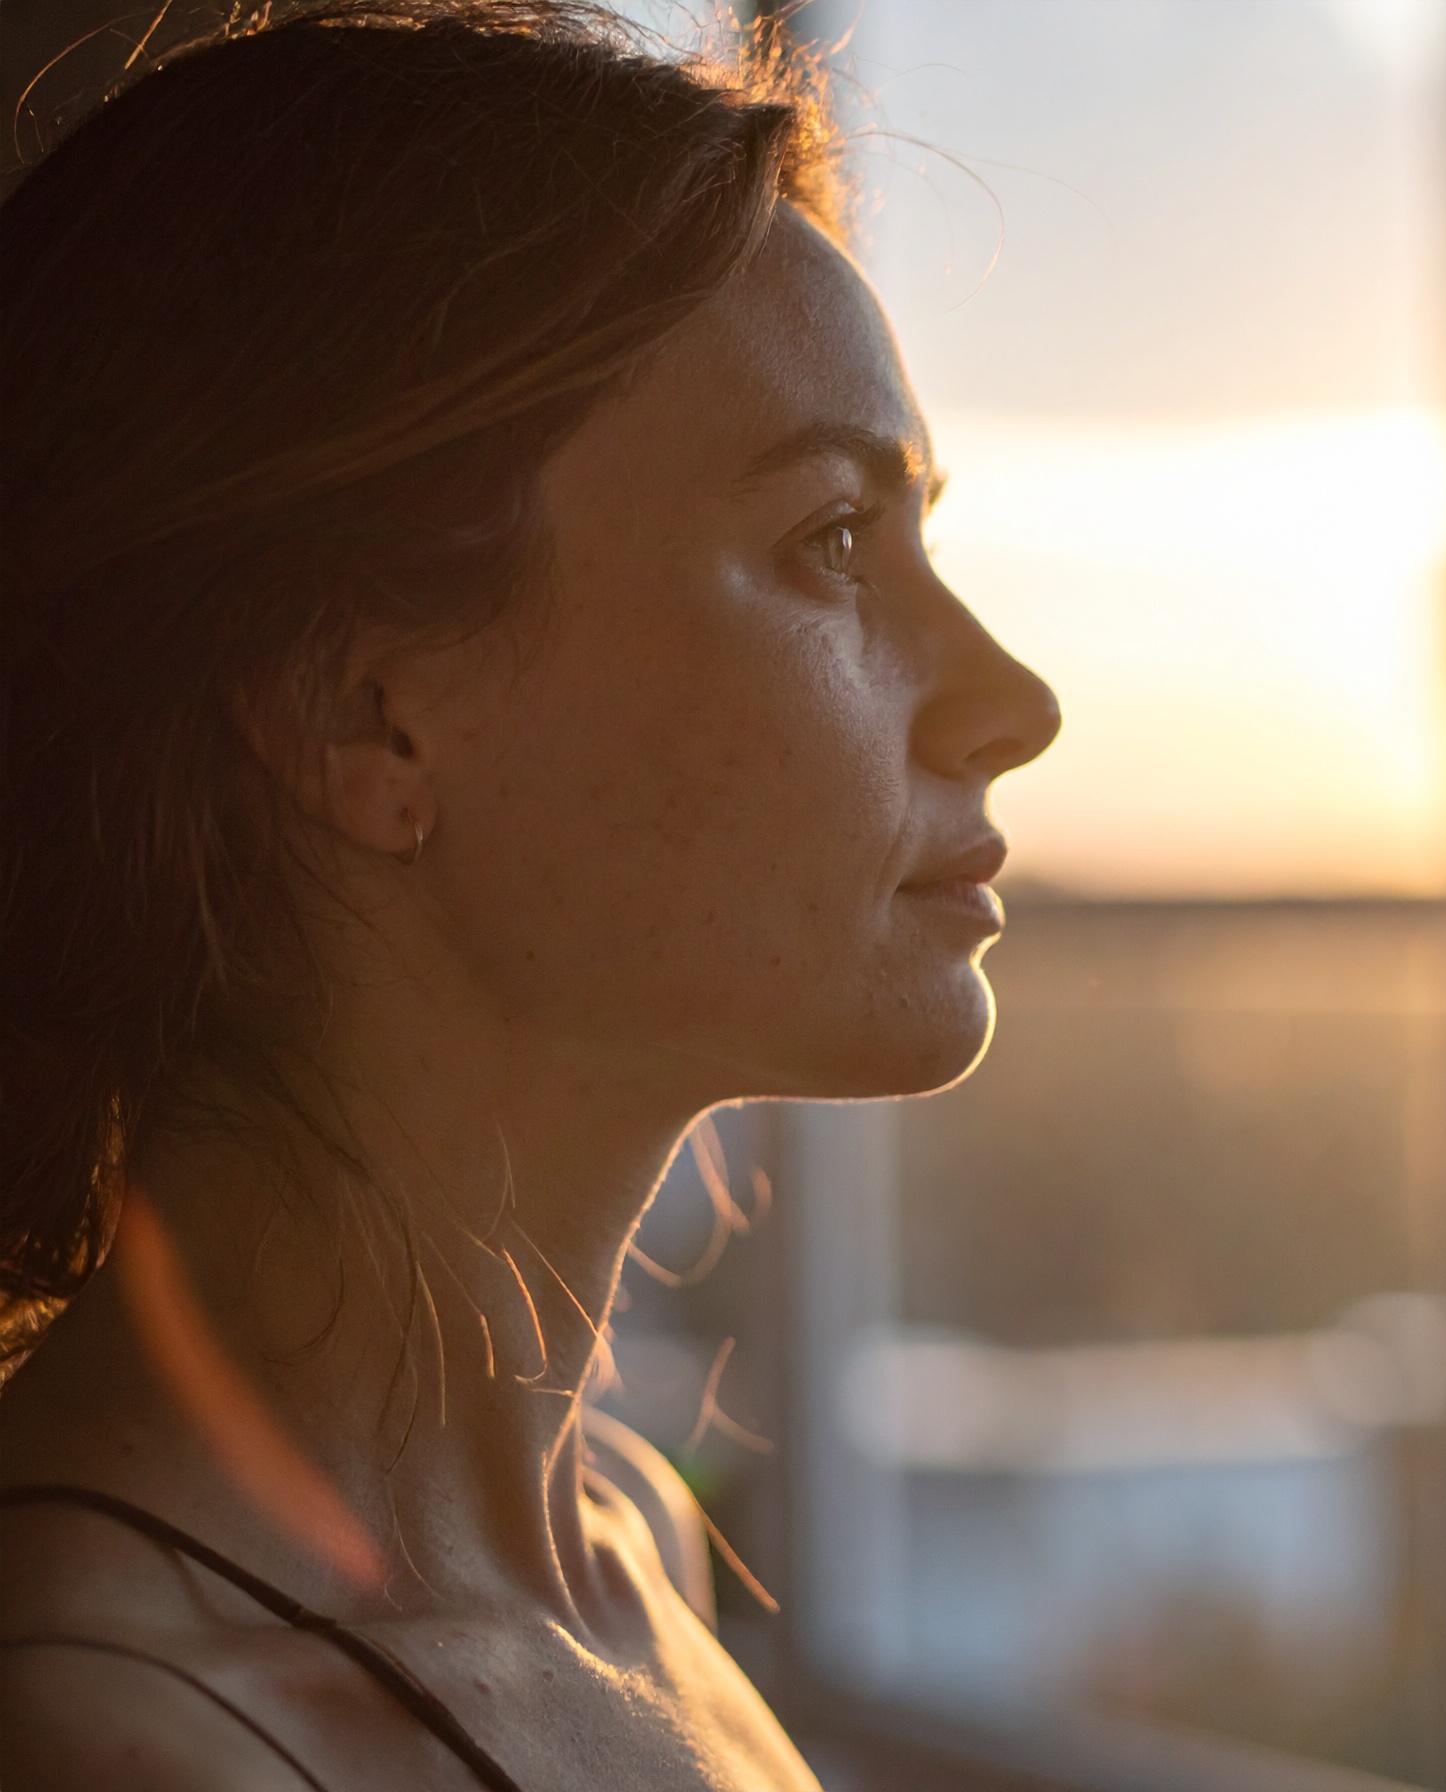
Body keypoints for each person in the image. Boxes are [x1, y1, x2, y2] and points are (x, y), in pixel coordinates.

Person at [0, 2, 1061, 1784]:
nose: (1013, 703)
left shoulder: (626, 1558)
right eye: (827, 543)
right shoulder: (124, 1740)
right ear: (370, 716)